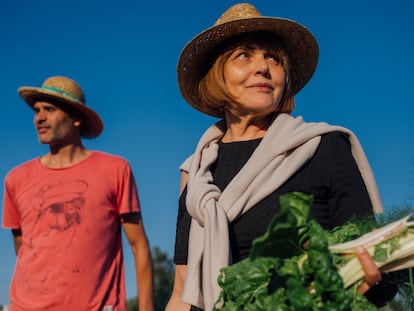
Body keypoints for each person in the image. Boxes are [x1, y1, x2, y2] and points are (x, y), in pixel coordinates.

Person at [166, 3, 395, 311]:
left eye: (273, 57)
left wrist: (370, 284)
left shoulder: (322, 147)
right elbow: (182, 290)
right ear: (217, 75)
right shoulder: (194, 173)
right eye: (244, 55)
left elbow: (376, 267)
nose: (263, 67)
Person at [1, 76, 154, 311]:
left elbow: (139, 246)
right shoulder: (16, 179)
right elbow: (22, 247)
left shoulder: (115, 170)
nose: (39, 118)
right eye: (36, 110)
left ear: (76, 118)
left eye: (49, 109)